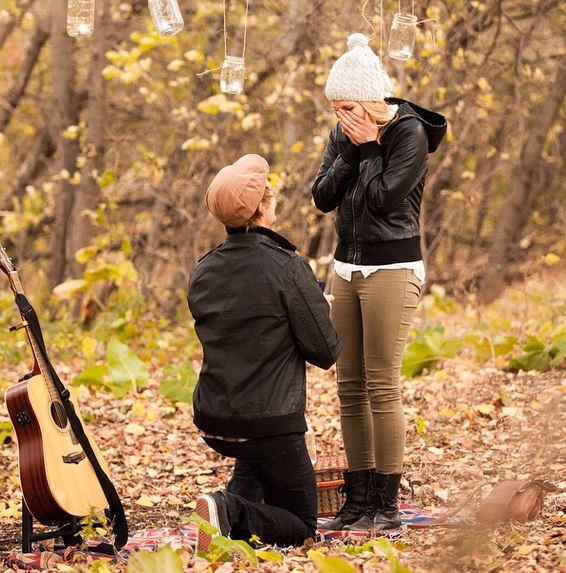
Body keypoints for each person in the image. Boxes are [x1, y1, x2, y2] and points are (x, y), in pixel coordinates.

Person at [311, 33, 447, 532]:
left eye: (347, 106)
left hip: (393, 268)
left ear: (371, 102)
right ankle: (358, 498)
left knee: (382, 384)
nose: (340, 115)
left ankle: (386, 503)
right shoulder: (343, 133)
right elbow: (322, 196)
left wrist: (369, 148)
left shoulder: (409, 133)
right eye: (335, 108)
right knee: (349, 387)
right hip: (345, 267)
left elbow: (387, 200)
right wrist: (350, 147)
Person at [187, 154, 341, 550]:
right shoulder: (287, 267)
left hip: (212, 419)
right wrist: (321, 307)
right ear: (263, 207)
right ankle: (229, 512)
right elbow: (325, 351)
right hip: (268, 424)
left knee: (254, 456)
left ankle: (222, 510)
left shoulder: (203, 269)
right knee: (302, 524)